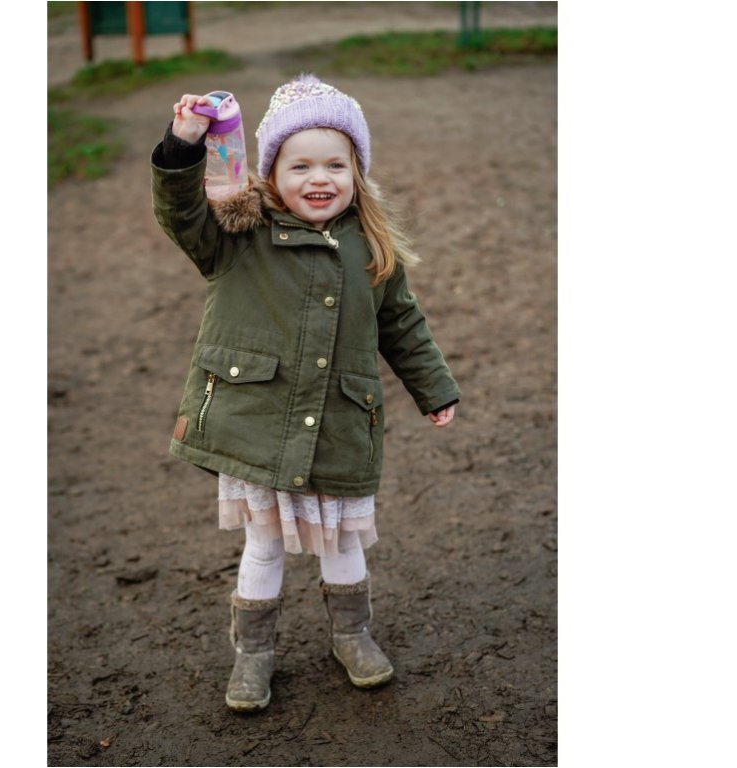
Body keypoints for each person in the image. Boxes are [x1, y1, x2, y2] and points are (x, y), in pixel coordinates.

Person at [151, 74, 460, 712]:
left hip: (340, 424)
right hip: (259, 426)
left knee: (343, 542)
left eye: (335, 165)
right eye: (300, 166)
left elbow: (402, 324)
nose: (319, 179)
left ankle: (352, 635)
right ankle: (253, 654)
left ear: (357, 172)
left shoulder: (372, 249)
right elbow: (180, 214)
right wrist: (183, 145)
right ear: (270, 172)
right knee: (264, 544)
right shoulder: (237, 237)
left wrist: (433, 389)